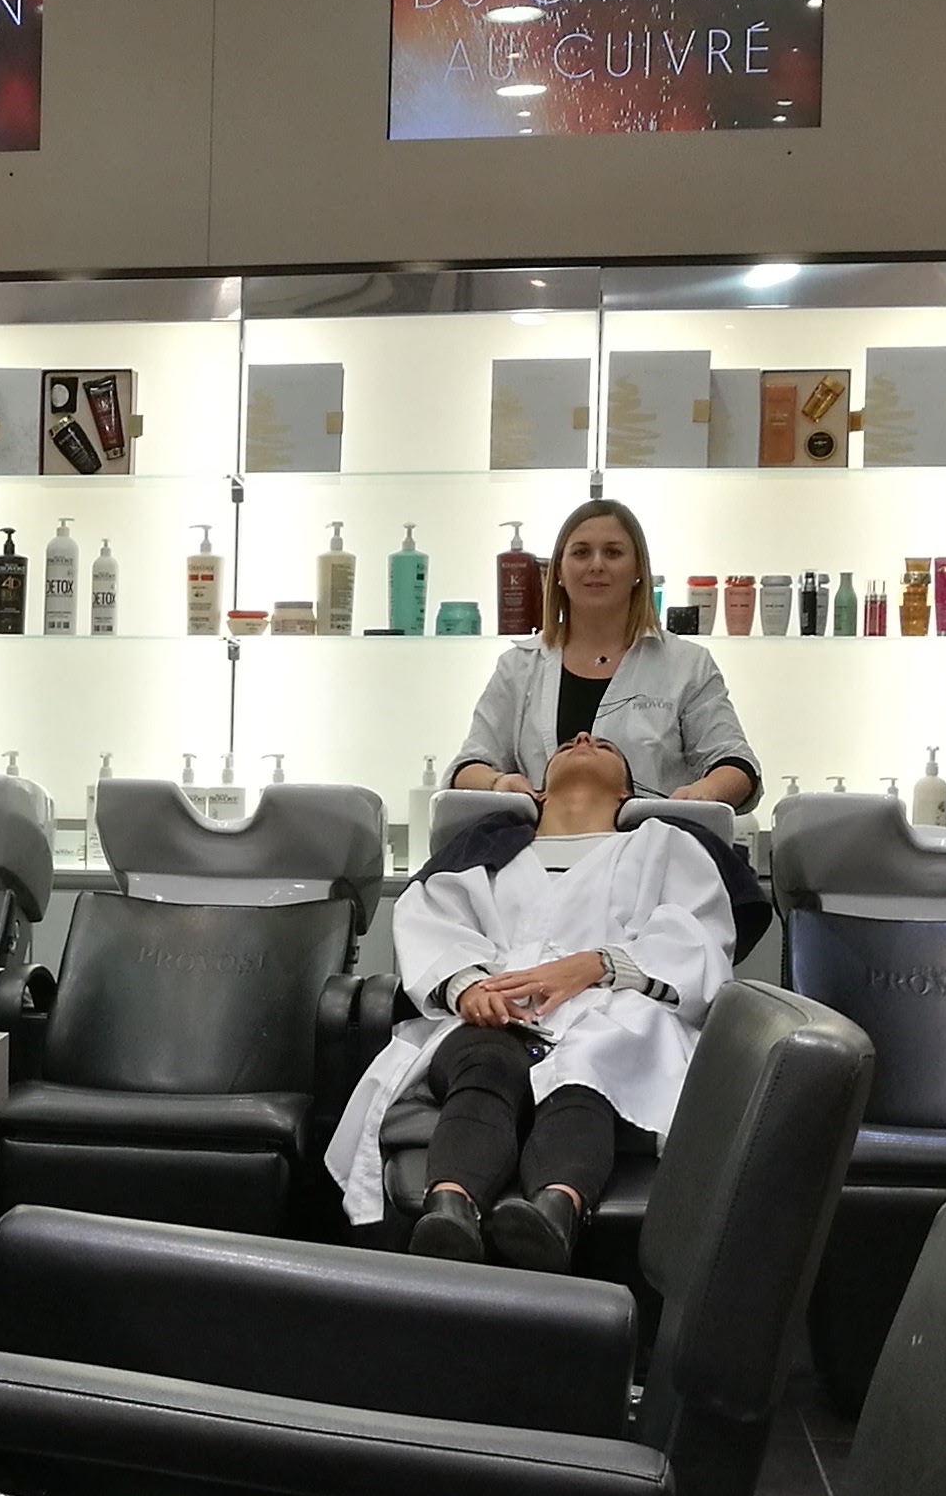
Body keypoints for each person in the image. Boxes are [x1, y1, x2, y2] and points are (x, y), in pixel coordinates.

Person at [321, 730, 735, 1270]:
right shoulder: (485, 852)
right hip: (494, 1013)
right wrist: (466, 985)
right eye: (567, 744)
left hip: (615, 1011)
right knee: (487, 1060)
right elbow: (433, 920)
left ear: (628, 795)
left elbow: (697, 935)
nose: (582, 736)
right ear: (537, 792)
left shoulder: (662, 846)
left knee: (589, 1066)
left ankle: (554, 1214)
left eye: (605, 746)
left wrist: (597, 964)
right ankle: (449, 1210)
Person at [448, 499, 758, 810]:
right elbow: (468, 766)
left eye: (613, 552)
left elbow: (736, 763)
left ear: (638, 570)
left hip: (654, 837)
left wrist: (704, 792)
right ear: (558, 572)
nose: (596, 565)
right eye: (581, 552)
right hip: (541, 839)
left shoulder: (686, 665)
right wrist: (498, 784)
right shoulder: (518, 666)